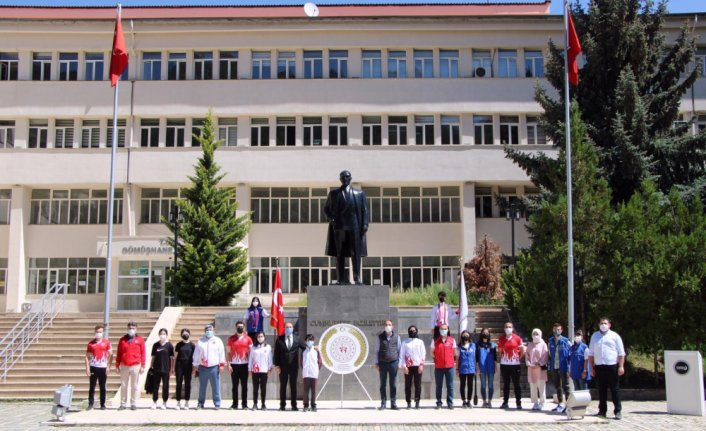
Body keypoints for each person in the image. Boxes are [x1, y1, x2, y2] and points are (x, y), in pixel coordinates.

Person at [324, 170, 369, 285]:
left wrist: (364, 224)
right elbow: (326, 209)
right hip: (339, 227)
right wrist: (331, 218)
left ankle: (357, 277)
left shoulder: (359, 194)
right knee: (340, 254)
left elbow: (364, 210)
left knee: (355, 253)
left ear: (350, 178)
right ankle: (341, 279)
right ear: (340, 179)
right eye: (343, 177)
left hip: (354, 227)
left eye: (347, 177)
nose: (345, 178)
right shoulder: (333, 194)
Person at [587, 317, 625, 420]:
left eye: (605, 323)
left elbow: (621, 353)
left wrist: (621, 366)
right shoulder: (595, 336)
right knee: (601, 390)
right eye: (601, 323)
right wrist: (591, 368)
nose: (603, 325)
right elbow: (591, 353)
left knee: (614, 389)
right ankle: (602, 411)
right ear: (599, 324)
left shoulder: (614, 336)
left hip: (612, 366)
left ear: (609, 325)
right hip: (599, 366)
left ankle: (617, 411)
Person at [192, 324, 226, 410]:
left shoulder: (218, 340)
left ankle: (217, 403)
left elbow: (221, 353)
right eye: (207, 330)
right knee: (202, 386)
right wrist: (195, 365)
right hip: (202, 367)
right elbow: (196, 354)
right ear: (204, 331)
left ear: (213, 330)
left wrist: (222, 365)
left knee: (216, 386)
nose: (208, 331)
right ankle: (200, 403)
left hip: (214, 367)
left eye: (210, 330)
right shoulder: (200, 341)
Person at [115, 321, 146, 411]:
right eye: (130, 328)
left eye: (133, 328)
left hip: (135, 365)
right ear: (127, 328)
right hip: (124, 365)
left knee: (134, 386)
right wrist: (117, 365)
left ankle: (133, 403)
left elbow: (143, 352)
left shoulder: (140, 339)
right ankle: (123, 404)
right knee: (124, 385)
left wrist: (143, 365)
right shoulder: (122, 340)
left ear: (136, 329)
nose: (131, 330)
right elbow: (119, 353)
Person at [274, 321, 303, 411]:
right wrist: (277, 366)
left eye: (290, 327)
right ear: (284, 328)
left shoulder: (297, 339)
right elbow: (276, 353)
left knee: (293, 386)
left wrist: (313, 347)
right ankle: (282, 405)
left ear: (293, 328)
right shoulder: (279, 339)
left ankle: (294, 405)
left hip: (294, 367)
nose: (289, 328)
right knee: (283, 386)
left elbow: (305, 347)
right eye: (287, 327)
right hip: (283, 367)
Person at [374, 319, 401, 410]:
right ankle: (383, 403)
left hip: (393, 363)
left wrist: (399, 363)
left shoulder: (397, 337)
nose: (388, 326)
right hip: (382, 363)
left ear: (392, 326)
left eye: (389, 324)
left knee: (393, 384)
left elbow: (399, 351)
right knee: (383, 384)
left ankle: (393, 403)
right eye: (386, 325)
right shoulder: (380, 337)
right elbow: (376, 351)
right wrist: (376, 363)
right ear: (384, 326)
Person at [498, 321, 525, 410]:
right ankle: (505, 402)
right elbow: (499, 351)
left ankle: (518, 402)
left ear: (512, 328)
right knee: (506, 384)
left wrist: (518, 358)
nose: (508, 328)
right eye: (506, 327)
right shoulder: (501, 338)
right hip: (505, 364)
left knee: (516, 384)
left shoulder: (517, 338)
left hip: (515, 365)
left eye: (509, 327)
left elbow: (522, 350)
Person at [85, 324, 112, 410]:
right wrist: (87, 368)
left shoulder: (106, 342)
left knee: (102, 386)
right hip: (93, 366)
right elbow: (87, 356)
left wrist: (108, 367)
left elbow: (111, 355)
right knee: (92, 386)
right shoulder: (91, 344)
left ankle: (102, 404)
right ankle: (90, 404)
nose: (98, 333)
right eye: (97, 332)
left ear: (103, 332)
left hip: (102, 367)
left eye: (100, 332)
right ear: (95, 332)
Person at [227, 320, 252, 410]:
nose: (240, 328)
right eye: (238, 327)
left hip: (245, 365)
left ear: (244, 328)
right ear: (236, 327)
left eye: (242, 326)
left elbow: (251, 353)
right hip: (234, 365)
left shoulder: (248, 339)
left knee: (244, 386)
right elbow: (228, 353)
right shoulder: (231, 338)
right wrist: (228, 364)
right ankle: (234, 404)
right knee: (234, 386)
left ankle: (244, 404)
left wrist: (251, 366)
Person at [431, 323, 457, 409]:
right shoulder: (435, 341)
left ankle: (450, 402)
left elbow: (454, 352)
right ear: (439, 330)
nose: (443, 330)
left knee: (450, 385)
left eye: (445, 329)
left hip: (449, 367)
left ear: (448, 330)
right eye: (442, 329)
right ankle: (439, 402)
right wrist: (438, 359)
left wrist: (451, 360)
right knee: (439, 386)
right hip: (439, 367)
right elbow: (432, 353)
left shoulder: (452, 340)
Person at [399, 324, 425, 409]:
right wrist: (404, 366)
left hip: (417, 366)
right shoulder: (405, 342)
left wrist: (421, 365)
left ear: (416, 331)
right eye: (411, 330)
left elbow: (423, 354)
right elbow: (402, 355)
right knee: (408, 385)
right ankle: (408, 402)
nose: (412, 331)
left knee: (418, 385)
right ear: (408, 331)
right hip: (408, 366)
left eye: (414, 330)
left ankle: (417, 402)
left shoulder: (420, 342)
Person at [547, 322, 571, 413]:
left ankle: (568, 405)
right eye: (555, 329)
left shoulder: (566, 341)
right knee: (558, 386)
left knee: (566, 386)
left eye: (559, 329)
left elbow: (570, 354)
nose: (557, 331)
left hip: (563, 366)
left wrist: (569, 367)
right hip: (554, 366)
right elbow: (549, 354)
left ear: (561, 330)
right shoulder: (550, 341)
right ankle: (560, 403)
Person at [150, 328, 175, 410]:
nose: (162, 335)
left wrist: (172, 369)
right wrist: (151, 367)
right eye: (161, 333)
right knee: (155, 386)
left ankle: (164, 402)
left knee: (165, 386)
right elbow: (153, 357)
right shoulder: (155, 345)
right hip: (156, 369)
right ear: (159, 335)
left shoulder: (169, 345)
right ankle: (154, 402)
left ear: (166, 335)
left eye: (164, 333)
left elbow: (172, 358)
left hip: (166, 369)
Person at [248, 331, 273, 410]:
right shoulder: (253, 347)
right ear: (256, 337)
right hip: (255, 370)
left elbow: (270, 359)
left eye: (261, 336)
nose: (260, 338)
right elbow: (250, 359)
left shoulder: (268, 347)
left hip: (264, 370)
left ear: (264, 337)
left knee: (263, 388)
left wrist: (270, 369)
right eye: (259, 336)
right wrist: (249, 370)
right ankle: (255, 404)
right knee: (255, 388)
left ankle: (263, 404)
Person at [525, 328, 548, 411]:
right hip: (531, 369)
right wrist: (528, 363)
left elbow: (545, 356)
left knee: (541, 386)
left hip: (540, 369)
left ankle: (542, 403)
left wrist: (539, 363)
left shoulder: (543, 344)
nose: (535, 336)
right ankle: (535, 402)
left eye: (537, 334)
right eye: (534, 334)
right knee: (533, 386)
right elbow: (527, 355)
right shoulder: (530, 344)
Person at [476, 328, 497, 408]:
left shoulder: (493, 345)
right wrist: (477, 367)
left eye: (487, 332)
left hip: (491, 367)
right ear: (481, 334)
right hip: (482, 367)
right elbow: (477, 357)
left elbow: (495, 357)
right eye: (484, 332)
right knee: (483, 385)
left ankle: (490, 401)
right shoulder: (478, 345)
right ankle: (484, 401)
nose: (485, 334)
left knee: (491, 385)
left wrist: (495, 366)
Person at [174, 328, 195, 410]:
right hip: (179, 366)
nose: (185, 334)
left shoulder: (192, 345)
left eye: (186, 333)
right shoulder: (178, 345)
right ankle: (178, 402)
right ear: (181, 335)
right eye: (183, 333)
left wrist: (194, 368)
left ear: (189, 334)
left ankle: (187, 402)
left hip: (188, 367)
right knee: (178, 384)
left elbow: (194, 358)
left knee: (187, 384)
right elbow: (175, 358)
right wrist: (173, 368)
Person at [301, 334, 323, 412]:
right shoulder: (304, 352)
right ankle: (306, 405)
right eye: (308, 340)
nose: (309, 341)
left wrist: (316, 369)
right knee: (305, 391)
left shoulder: (316, 351)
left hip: (314, 374)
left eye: (311, 340)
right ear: (305, 341)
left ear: (313, 341)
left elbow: (320, 362)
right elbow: (301, 362)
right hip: (306, 374)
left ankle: (313, 405)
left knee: (313, 391)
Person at [457, 330, 476, 408]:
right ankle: (464, 400)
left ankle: (469, 400)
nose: (466, 336)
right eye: (464, 335)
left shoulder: (473, 345)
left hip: (471, 368)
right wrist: (457, 369)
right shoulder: (459, 347)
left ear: (469, 336)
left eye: (467, 335)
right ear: (462, 336)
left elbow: (475, 357)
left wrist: (476, 368)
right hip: (462, 368)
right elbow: (457, 359)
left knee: (470, 385)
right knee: (462, 385)